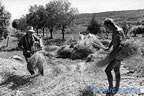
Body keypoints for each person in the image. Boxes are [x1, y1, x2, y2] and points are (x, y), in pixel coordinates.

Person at [103, 18, 126, 95]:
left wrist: (111, 55)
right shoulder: (118, 29)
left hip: (117, 54)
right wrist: (108, 47)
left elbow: (119, 45)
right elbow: (113, 40)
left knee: (107, 70)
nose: (106, 29)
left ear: (109, 25)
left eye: (106, 27)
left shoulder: (117, 32)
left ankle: (111, 89)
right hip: (119, 54)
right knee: (116, 70)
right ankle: (116, 87)